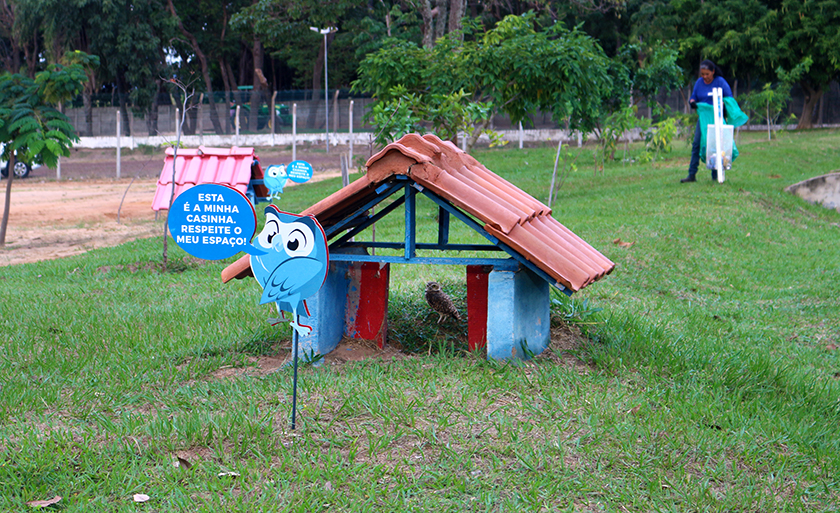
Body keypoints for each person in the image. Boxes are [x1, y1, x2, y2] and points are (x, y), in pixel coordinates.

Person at [681, 60, 733, 183]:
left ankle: (716, 175)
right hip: (703, 118)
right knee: (696, 144)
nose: (704, 77)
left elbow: (729, 98)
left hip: (717, 118)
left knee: (715, 146)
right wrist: (692, 101)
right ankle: (691, 174)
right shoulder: (699, 83)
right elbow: (694, 96)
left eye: (707, 74)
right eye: (702, 74)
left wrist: (723, 106)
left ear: (713, 72)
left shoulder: (720, 82)